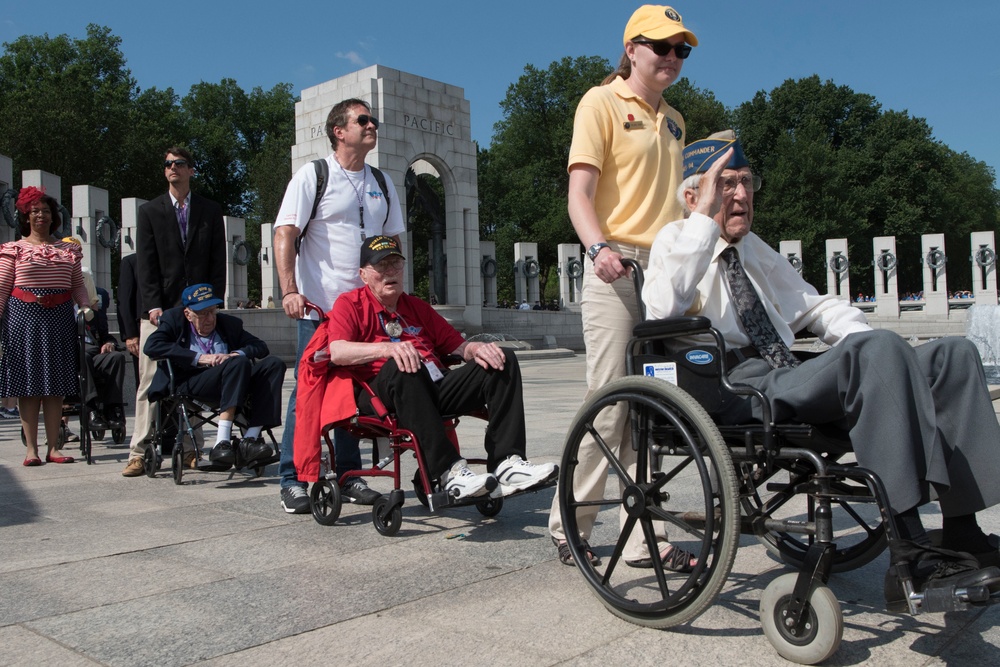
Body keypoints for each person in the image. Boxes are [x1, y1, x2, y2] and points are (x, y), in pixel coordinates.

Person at [642, 130, 1000, 609]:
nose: (743, 196)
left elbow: (814, 305)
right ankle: (909, 558)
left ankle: (963, 532)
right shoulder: (674, 240)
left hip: (786, 369)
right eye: (726, 184)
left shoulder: (754, 249)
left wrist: (873, 347)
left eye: (747, 182)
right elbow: (664, 309)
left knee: (953, 356)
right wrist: (702, 223)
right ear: (694, 195)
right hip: (736, 382)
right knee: (878, 354)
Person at [547, 4, 698, 569]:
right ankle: (569, 522)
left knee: (655, 409)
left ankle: (641, 538)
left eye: (682, 49)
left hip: (663, 271)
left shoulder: (678, 121)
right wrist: (599, 249)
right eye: (662, 47)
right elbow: (579, 194)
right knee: (610, 402)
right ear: (631, 48)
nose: (673, 58)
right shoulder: (601, 101)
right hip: (615, 264)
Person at [293, 236, 557, 499]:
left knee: (503, 359)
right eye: (381, 266)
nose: (390, 272)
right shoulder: (350, 304)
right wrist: (388, 349)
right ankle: (448, 471)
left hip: (433, 386)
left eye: (395, 265)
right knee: (405, 365)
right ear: (363, 274)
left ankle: (507, 461)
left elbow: (457, 346)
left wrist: (476, 349)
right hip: (379, 393)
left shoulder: (416, 306)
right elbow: (338, 352)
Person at [273, 98, 405, 513]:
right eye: (362, 120)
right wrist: (290, 290)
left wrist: (394, 296)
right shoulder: (314, 175)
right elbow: (285, 233)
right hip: (321, 309)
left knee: (355, 391)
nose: (372, 125)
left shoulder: (382, 181)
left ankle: (348, 475)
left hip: (366, 312)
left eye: (373, 120)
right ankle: (292, 477)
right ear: (339, 130)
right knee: (308, 392)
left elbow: (395, 245)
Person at [122, 146, 227, 477]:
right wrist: (152, 304)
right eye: (167, 164)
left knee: (196, 374)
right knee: (149, 380)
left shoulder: (209, 210)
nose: (172, 169)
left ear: (191, 170)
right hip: (160, 308)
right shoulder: (151, 211)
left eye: (179, 164)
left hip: (198, 309)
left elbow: (217, 260)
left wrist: (212, 304)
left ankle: (191, 446)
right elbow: (146, 263)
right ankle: (138, 451)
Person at [144, 283, 285, 469]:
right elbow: (151, 346)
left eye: (212, 311)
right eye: (202, 313)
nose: (210, 318)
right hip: (192, 381)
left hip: (231, 380)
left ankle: (250, 438)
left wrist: (235, 354)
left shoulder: (228, 324)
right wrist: (198, 357)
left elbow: (260, 346)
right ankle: (222, 441)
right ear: (188, 314)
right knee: (237, 364)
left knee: (274, 364)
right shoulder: (173, 320)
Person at [0, 187, 91, 466]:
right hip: (22, 318)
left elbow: (77, 285)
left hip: (60, 317)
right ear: (26, 217)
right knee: (28, 385)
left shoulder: (69, 250)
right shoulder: (12, 249)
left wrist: (86, 307)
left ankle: (54, 447)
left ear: (54, 216)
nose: (41, 215)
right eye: (35, 211)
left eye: (46, 211)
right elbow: (3, 288)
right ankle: (32, 451)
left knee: (55, 385)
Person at [83, 286, 127, 430]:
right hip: (75, 357)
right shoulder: (64, 313)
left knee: (116, 357)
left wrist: (110, 343)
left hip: (95, 354)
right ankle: (91, 409)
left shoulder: (93, 314)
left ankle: (112, 408)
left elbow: (105, 335)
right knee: (84, 356)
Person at [116, 253, 142, 385]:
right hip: (141, 331)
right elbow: (124, 301)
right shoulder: (131, 262)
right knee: (144, 381)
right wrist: (130, 334)